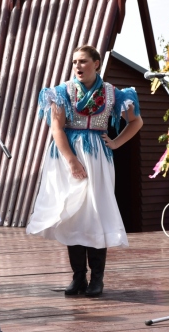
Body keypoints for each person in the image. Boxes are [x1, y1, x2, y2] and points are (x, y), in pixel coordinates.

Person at [26, 45, 142, 297]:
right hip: (67, 155)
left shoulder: (113, 93)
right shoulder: (62, 92)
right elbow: (56, 128)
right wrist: (71, 160)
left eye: (83, 61)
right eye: (74, 62)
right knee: (73, 214)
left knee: (95, 212)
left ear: (97, 63)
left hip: (98, 157)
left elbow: (136, 121)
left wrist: (117, 142)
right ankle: (78, 276)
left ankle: (97, 278)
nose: (77, 66)